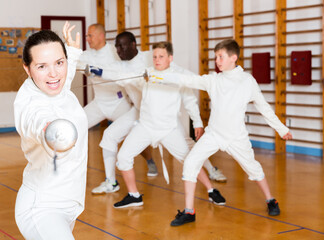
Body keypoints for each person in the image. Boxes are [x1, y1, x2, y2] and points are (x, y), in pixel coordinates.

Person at [154, 39, 293, 226]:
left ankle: (270, 200)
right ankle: (189, 211)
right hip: (213, 135)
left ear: (233, 58)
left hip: (236, 137)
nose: (217, 60)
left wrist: (281, 129)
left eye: (221, 56)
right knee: (190, 163)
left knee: (253, 169)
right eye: (216, 57)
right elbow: (187, 79)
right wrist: (156, 76)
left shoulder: (247, 81)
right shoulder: (213, 80)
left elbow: (264, 108)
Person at [89, 31, 227, 186]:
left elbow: (177, 73)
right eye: (116, 47)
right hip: (140, 112)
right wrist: (96, 70)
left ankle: (210, 169)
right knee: (110, 135)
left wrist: (201, 84)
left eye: (122, 46)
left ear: (133, 45)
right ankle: (111, 182)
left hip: (165, 114)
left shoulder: (150, 57)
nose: (118, 50)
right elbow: (113, 73)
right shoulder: (119, 65)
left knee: (186, 143)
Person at [110, 41, 226, 209]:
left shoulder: (179, 77)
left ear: (170, 58)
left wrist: (198, 123)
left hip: (168, 130)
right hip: (145, 127)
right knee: (123, 157)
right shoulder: (146, 74)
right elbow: (123, 77)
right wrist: (97, 71)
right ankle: (134, 195)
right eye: (155, 57)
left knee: (189, 160)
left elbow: (190, 101)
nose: (157, 60)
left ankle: (211, 189)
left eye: (161, 57)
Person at [14, 22, 87, 239]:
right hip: (42, 208)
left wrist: (73, 51)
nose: (53, 73)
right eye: (41, 66)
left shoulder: (55, 83)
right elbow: (34, 120)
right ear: (27, 68)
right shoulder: (29, 103)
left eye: (59, 62)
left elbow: (63, 75)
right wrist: (48, 129)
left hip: (70, 203)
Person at [78, 24, 158, 194]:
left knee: (135, 133)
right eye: (87, 36)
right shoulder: (86, 54)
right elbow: (77, 63)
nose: (87, 39)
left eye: (90, 35)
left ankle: (150, 159)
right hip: (99, 103)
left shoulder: (116, 53)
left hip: (119, 102)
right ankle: (109, 181)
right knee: (77, 125)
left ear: (101, 36)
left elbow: (127, 69)